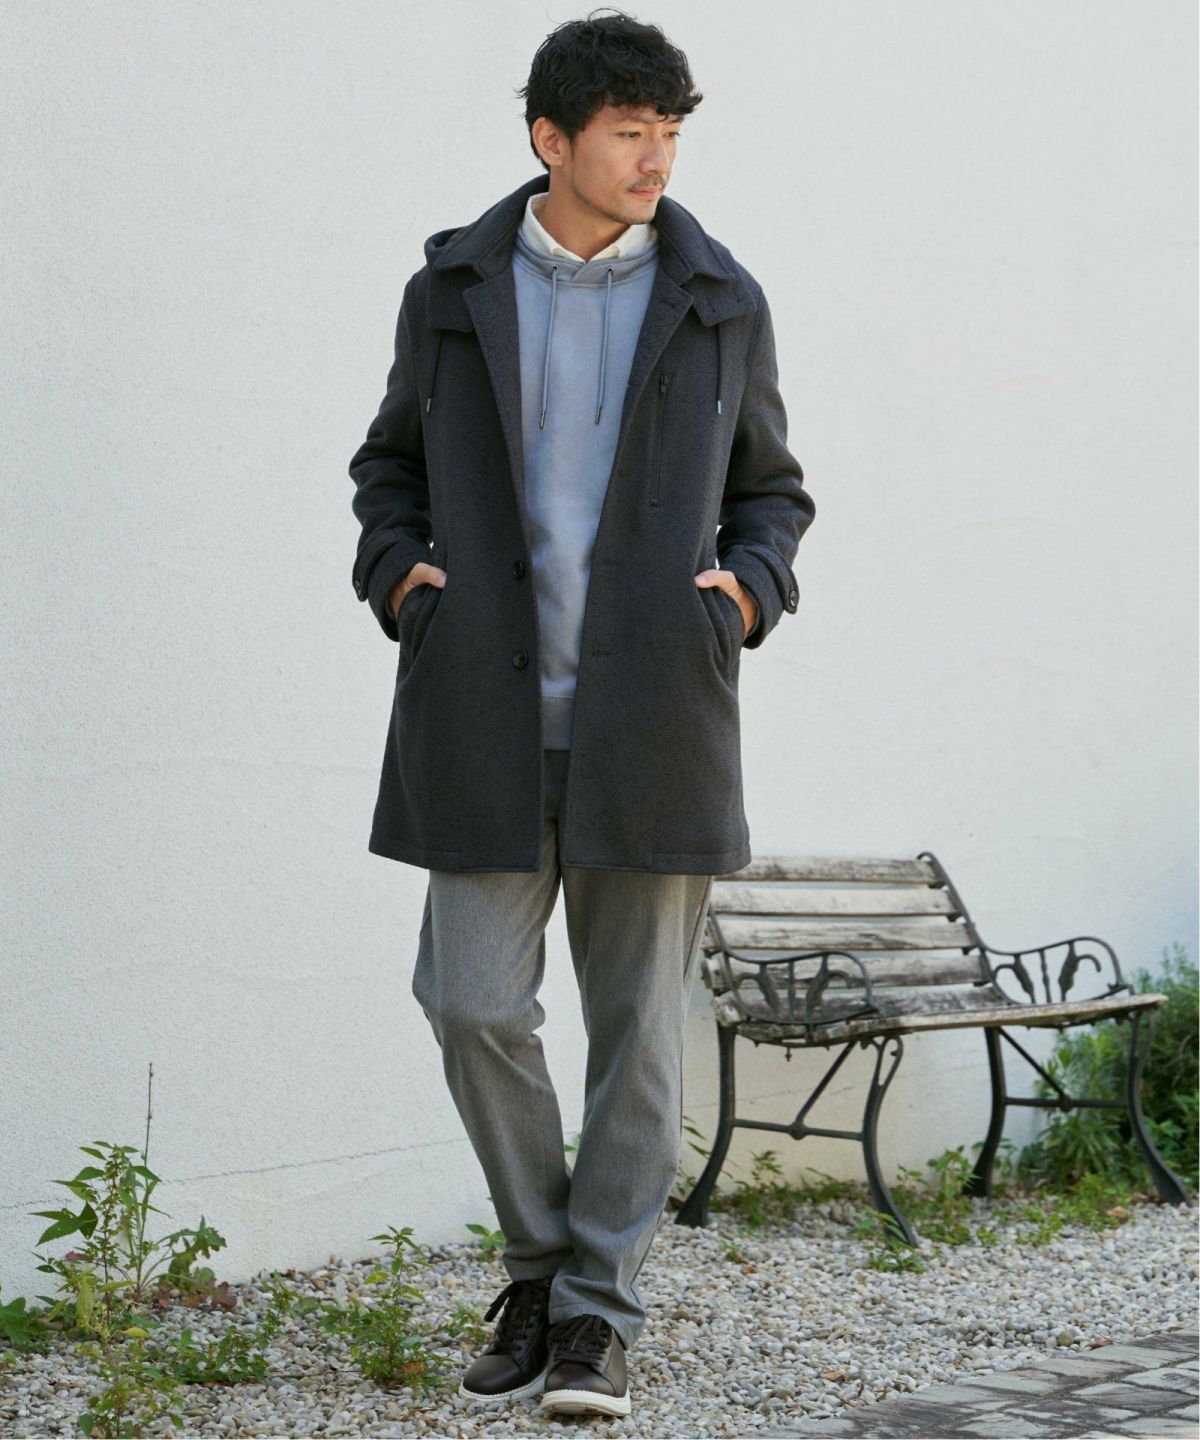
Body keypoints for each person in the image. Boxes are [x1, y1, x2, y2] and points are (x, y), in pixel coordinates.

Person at [348, 7, 814, 1420]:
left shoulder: (719, 297)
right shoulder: (452, 288)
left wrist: (745, 595)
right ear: (552, 139)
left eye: (669, 132)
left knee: (639, 1039)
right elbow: (388, 466)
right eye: (629, 132)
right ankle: (545, 1270)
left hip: (655, 717)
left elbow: (773, 491)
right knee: (469, 1002)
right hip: (481, 714)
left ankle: (598, 1316)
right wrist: (399, 578)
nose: (656, 158)